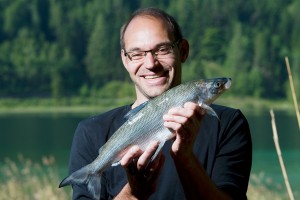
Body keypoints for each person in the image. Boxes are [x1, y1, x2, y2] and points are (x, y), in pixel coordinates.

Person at [68, 7, 252, 200]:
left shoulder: (229, 124)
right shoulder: (91, 131)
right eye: (137, 54)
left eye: (162, 49)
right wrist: (132, 194)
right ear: (125, 59)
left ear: (183, 51)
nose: (150, 64)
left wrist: (185, 158)